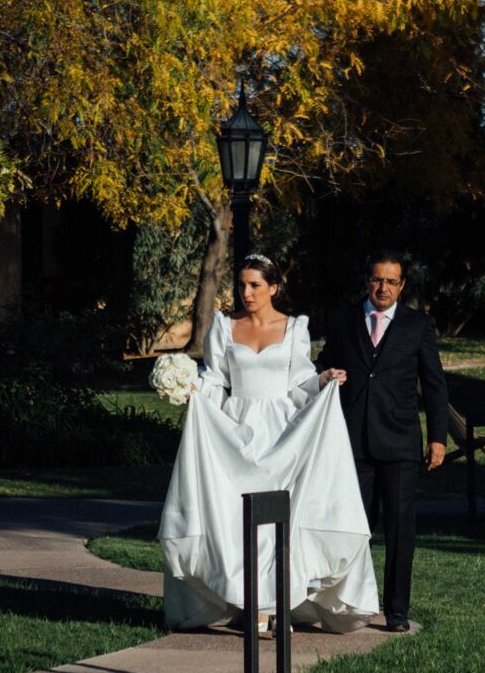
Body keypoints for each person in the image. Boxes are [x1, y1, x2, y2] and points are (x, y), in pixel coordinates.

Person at [158, 254, 378, 634]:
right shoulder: (224, 328)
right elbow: (216, 380)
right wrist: (190, 386)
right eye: (241, 285)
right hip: (236, 431)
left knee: (281, 519)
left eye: (255, 285)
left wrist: (323, 380)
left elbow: (299, 385)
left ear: (274, 287)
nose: (246, 293)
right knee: (237, 519)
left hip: (282, 433)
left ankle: (279, 603)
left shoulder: (294, 328)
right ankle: (251, 602)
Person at [317, 250, 448, 633]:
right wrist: (327, 374)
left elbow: (436, 386)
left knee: (400, 529)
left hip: (401, 442)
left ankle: (396, 610)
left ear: (402, 285)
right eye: (377, 280)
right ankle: (349, 603)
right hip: (352, 442)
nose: (383, 288)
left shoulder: (417, 326)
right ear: (367, 281)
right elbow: (322, 365)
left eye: (392, 281)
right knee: (351, 527)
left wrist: (437, 438)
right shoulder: (343, 320)